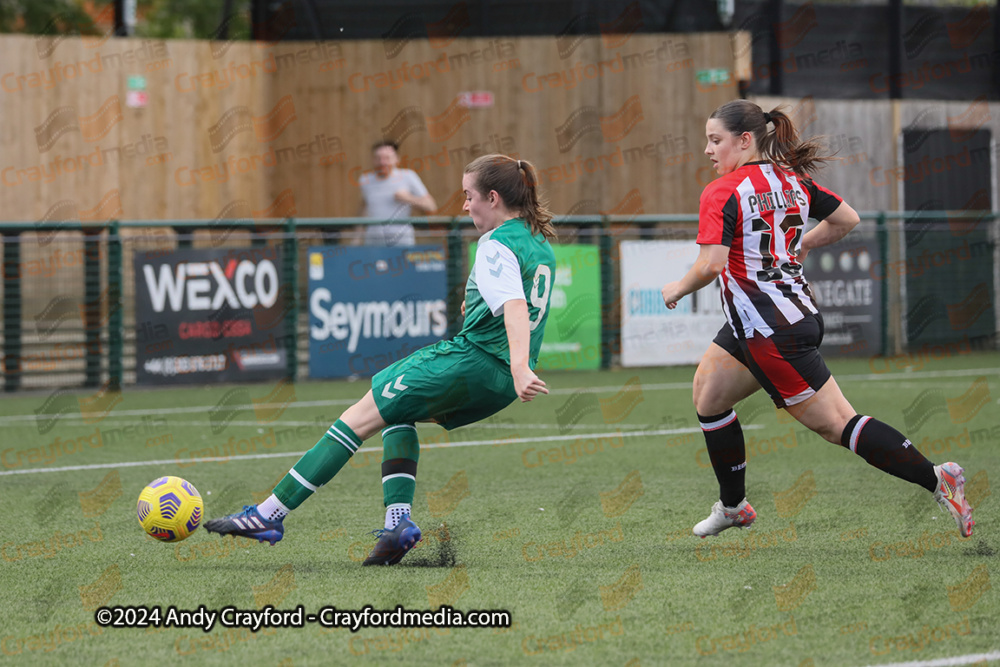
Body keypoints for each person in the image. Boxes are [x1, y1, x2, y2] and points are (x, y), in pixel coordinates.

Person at [205, 155, 557, 565]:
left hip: (474, 361)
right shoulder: (538, 240)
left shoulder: (495, 243)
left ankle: (268, 515)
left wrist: (519, 366)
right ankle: (397, 524)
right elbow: (514, 300)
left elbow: (514, 306)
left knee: (357, 417)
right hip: (497, 386)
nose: (464, 205)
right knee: (397, 412)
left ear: (493, 198)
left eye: (468, 196)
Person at [660, 100, 974, 540]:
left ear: (745, 140)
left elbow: (711, 265)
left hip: (771, 332)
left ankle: (938, 478)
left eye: (716, 140)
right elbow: (847, 219)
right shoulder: (790, 179)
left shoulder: (722, 191)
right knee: (709, 395)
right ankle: (733, 507)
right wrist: (803, 243)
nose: (709, 150)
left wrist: (675, 289)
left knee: (838, 425)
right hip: (777, 319)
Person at [356, 140, 437, 246]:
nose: (382, 162)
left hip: (401, 240)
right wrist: (356, 237)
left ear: (396, 159)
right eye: (378, 158)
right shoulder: (365, 179)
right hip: (373, 240)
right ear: (373, 160)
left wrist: (407, 198)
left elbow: (431, 206)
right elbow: (364, 209)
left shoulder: (408, 176)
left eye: (387, 158)